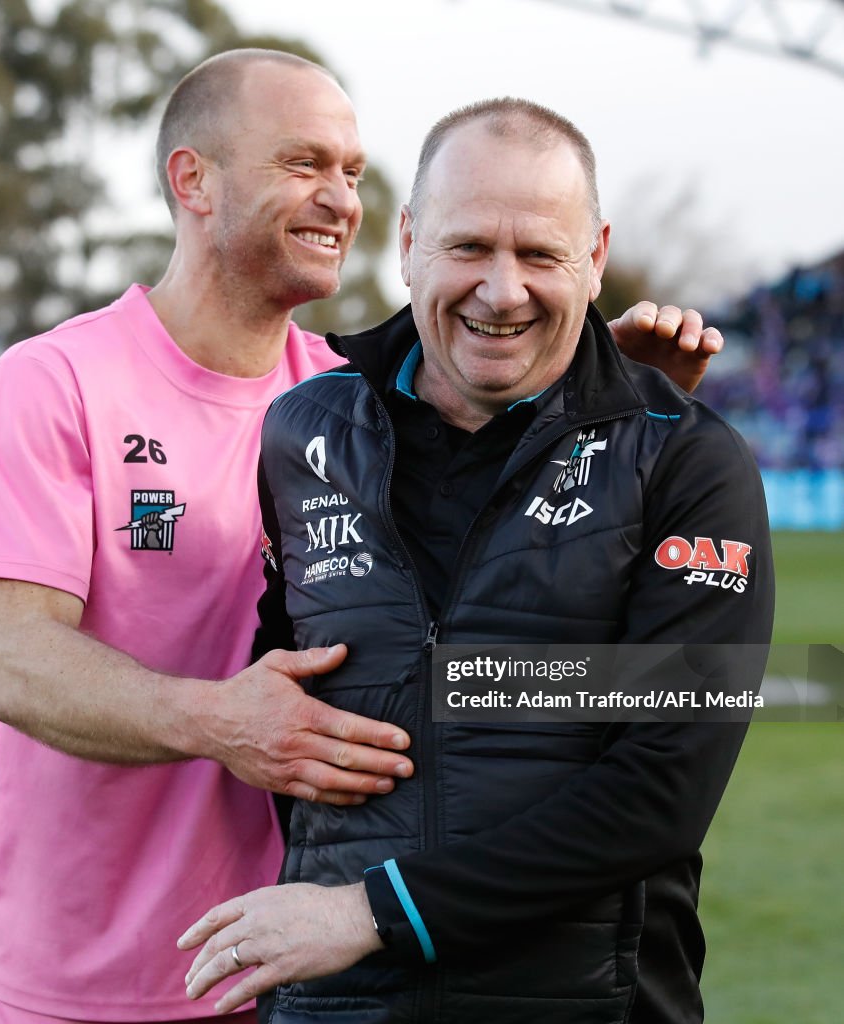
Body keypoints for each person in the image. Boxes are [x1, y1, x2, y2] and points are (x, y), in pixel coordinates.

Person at [0, 49, 724, 1024]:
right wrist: (224, 720)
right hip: (77, 982)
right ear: (194, 181)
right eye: (303, 163)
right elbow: (16, 663)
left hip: (303, 968)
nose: (337, 195)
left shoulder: (346, 400)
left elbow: (515, 541)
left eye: (349, 169)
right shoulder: (54, 383)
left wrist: (596, 397)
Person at [178, 97, 775, 1024]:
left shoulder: (686, 458)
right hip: (337, 1006)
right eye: (468, 248)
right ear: (409, 240)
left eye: (539, 254)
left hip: (590, 1006)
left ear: (597, 257)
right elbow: (286, 707)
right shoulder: (302, 430)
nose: (502, 291)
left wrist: (374, 913)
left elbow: (664, 785)